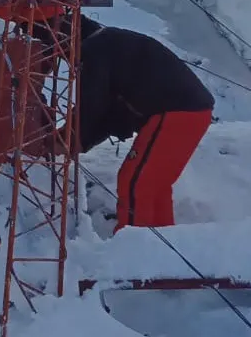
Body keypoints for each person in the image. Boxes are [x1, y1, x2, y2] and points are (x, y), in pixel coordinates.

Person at [68, 14, 215, 232]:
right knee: (155, 185)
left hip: (175, 112)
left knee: (134, 183)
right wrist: (78, 139)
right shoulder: (114, 44)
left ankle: (135, 248)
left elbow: (92, 103)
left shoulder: (94, 49)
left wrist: (73, 138)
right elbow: (108, 111)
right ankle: (163, 243)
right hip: (195, 112)